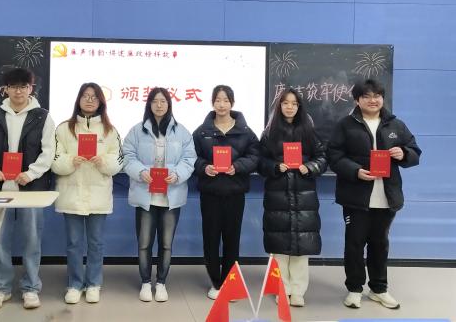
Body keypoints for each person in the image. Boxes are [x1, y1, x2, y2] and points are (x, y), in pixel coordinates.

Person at [327, 79, 421, 310]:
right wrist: (355, 171)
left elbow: (415, 152)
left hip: (387, 196)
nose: (373, 100)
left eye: (377, 95)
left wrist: (404, 153)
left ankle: (379, 289)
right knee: (354, 244)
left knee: (380, 244)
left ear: (382, 98)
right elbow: (334, 156)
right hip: (356, 197)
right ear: (357, 100)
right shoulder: (345, 125)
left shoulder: (396, 125)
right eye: (366, 96)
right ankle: (354, 289)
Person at [0, 67, 55, 310]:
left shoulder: (43, 117)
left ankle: (31, 288)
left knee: (32, 238)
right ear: (6, 89)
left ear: (31, 89)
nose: (18, 91)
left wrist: (31, 174)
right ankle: (1, 287)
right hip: (0, 188)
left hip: (31, 189)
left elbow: (48, 152)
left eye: (23, 87)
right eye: (14, 87)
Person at [123, 88, 196, 303]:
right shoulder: (137, 131)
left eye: (163, 101)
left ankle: (161, 283)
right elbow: (127, 156)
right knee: (144, 243)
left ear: (169, 104)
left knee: (166, 244)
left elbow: (189, 159)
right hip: (145, 195)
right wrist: (140, 171)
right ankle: (146, 282)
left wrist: (177, 174)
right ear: (149, 104)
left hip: (170, 197)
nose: (159, 105)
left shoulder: (182, 132)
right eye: (155, 101)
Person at [52, 83, 123, 305]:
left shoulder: (110, 130)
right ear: (78, 100)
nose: (89, 100)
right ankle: (74, 284)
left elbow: (118, 160)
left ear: (101, 101)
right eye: (85, 96)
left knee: (96, 243)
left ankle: (93, 283)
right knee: (74, 243)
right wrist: (70, 161)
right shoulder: (64, 129)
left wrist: (104, 162)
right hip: (71, 193)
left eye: (94, 97)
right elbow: (54, 159)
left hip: (98, 194)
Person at [258, 88, 327, 307]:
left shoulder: (309, 131)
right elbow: (260, 162)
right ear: (279, 106)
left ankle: (297, 291)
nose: (289, 107)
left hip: (304, 197)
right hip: (277, 197)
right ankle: (282, 289)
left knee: (301, 247)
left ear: (299, 107)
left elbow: (323, 158)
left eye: (294, 103)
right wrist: (275, 167)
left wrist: (310, 167)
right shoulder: (269, 133)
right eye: (285, 103)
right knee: (279, 248)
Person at [193, 85, 260, 300]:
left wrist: (237, 167)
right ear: (212, 102)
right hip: (210, 193)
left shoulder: (246, 131)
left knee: (232, 239)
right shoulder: (201, 132)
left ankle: (230, 283)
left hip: (234, 193)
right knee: (211, 238)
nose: (221, 105)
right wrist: (204, 167)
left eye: (225, 100)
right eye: (217, 100)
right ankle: (215, 282)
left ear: (232, 103)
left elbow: (255, 157)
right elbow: (191, 157)